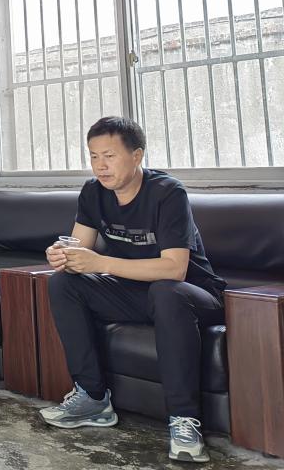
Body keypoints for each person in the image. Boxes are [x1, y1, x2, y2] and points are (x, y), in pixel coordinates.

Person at [40, 116, 225, 464]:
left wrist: (100, 263)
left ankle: (184, 420)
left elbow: (174, 269)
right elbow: (79, 248)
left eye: (109, 156)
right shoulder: (93, 192)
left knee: (166, 291)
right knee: (64, 283)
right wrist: (62, 255)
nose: (100, 166)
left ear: (137, 155)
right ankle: (93, 398)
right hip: (136, 292)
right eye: (93, 156)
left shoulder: (167, 193)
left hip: (191, 294)